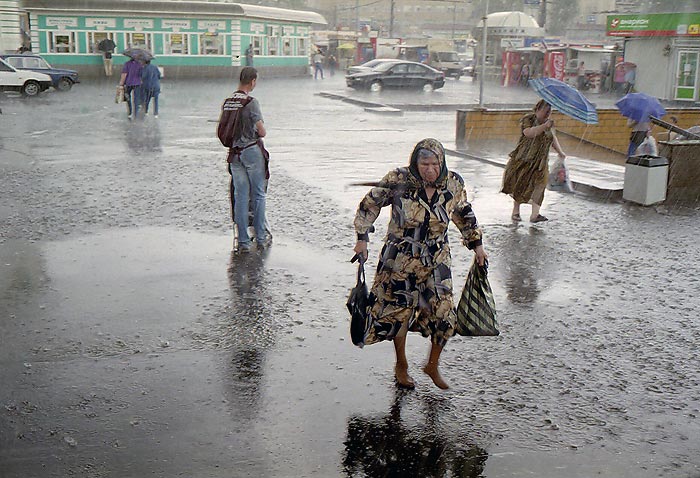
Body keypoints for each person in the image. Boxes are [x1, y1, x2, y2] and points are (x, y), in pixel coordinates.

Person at [352, 138, 488, 390]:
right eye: (424, 163)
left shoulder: (453, 184)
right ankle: (401, 365)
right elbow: (370, 204)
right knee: (398, 315)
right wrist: (362, 238)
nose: (430, 169)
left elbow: (463, 213)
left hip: (436, 258)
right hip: (400, 258)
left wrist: (477, 245)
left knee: (445, 315)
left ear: (442, 162)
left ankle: (432, 365)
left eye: (435, 163)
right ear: (415, 163)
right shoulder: (399, 180)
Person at [223, 67, 269, 252]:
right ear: (252, 81)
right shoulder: (251, 102)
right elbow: (261, 131)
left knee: (240, 196)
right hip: (250, 151)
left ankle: (243, 240)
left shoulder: (229, 101)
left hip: (234, 154)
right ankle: (261, 235)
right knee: (258, 195)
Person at [501, 99, 566, 223]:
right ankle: (516, 211)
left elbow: (552, 138)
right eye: (545, 111)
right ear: (537, 109)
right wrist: (543, 127)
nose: (547, 114)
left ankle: (535, 215)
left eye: (549, 111)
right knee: (521, 184)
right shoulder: (528, 119)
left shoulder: (549, 123)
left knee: (540, 185)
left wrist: (560, 152)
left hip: (541, 162)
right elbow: (528, 133)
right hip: (525, 158)